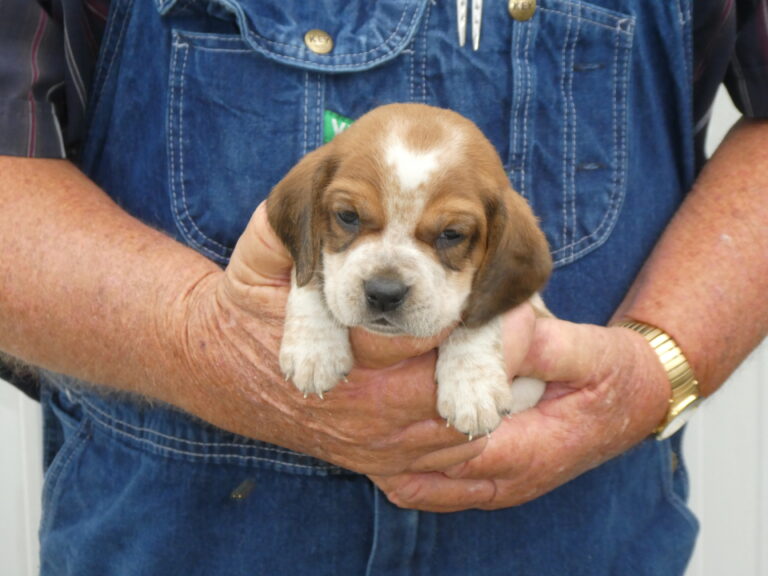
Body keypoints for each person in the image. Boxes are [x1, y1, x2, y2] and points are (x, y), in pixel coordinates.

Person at [1, 0, 766, 574]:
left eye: (448, 234)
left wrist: (654, 370)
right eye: (350, 219)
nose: (390, 278)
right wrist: (205, 340)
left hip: (581, 535)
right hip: (182, 540)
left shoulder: (505, 257)